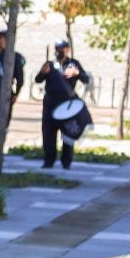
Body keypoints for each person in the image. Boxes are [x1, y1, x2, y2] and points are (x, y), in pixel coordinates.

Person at [35, 38, 92, 169]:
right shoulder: (50, 64)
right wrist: (43, 72)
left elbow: (86, 79)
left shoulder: (73, 64)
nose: (60, 51)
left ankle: (66, 161)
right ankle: (48, 160)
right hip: (50, 103)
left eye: (63, 48)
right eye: (57, 48)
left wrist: (77, 73)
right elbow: (38, 79)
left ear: (67, 50)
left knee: (68, 133)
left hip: (67, 105)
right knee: (48, 133)